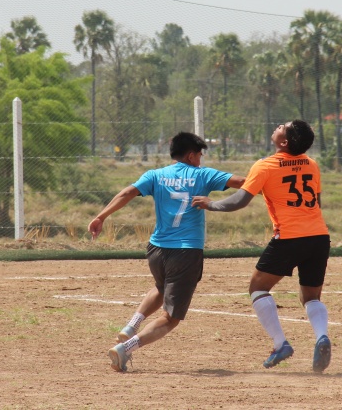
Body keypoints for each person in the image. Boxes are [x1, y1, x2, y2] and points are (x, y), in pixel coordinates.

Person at [89, 132, 245, 372]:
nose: (200, 161)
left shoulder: (155, 175)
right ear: (191, 156)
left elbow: (127, 193)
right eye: (199, 156)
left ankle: (131, 325)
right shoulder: (203, 175)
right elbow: (242, 182)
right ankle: (125, 348)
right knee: (171, 318)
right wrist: (269, 180)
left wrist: (101, 216)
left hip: (156, 249)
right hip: (186, 251)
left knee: (161, 288)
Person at [192, 119, 332, 373]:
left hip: (289, 237)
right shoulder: (312, 164)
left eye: (282, 127)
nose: (278, 126)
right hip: (319, 236)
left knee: (258, 287)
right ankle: (322, 336)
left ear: (284, 142)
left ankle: (280, 344)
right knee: (311, 296)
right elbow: (316, 203)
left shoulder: (265, 165)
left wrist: (210, 204)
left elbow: (239, 201)